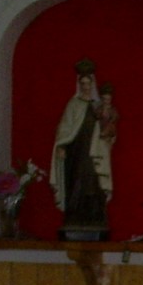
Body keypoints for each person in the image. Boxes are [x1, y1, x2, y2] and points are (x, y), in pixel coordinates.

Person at [51, 58, 113, 233]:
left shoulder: (99, 107)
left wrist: (108, 136)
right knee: (77, 182)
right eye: (83, 83)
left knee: (94, 183)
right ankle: (74, 216)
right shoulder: (73, 105)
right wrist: (61, 146)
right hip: (77, 152)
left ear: (93, 83)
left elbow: (108, 128)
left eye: (88, 83)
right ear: (79, 84)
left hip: (95, 152)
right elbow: (64, 129)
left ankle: (95, 216)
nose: (86, 87)